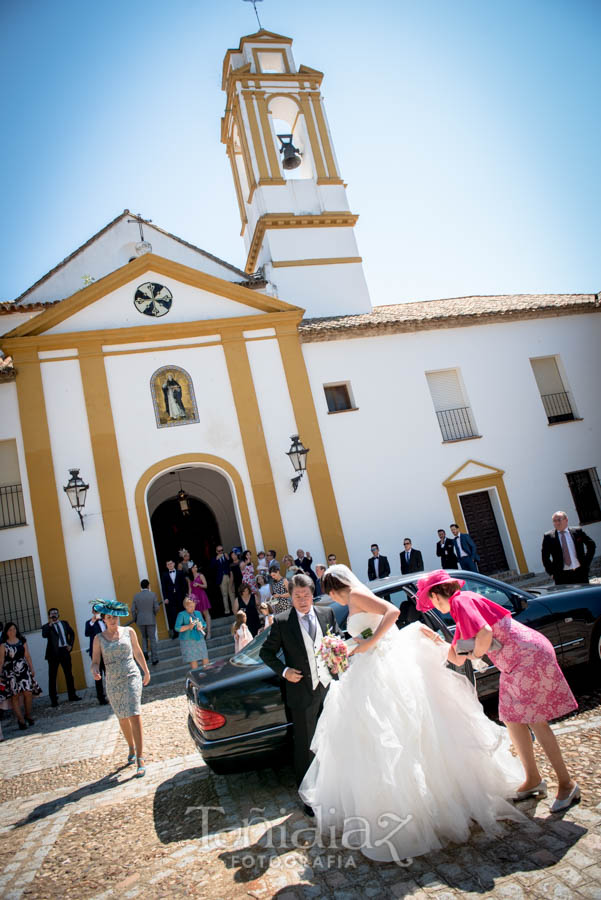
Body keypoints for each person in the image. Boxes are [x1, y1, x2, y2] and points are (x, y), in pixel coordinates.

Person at [299, 565, 525, 860]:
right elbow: (370, 628)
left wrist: (368, 642)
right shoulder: (352, 600)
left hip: (384, 666)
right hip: (369, 665)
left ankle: (426, 807)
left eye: (328, 595)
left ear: (333, 589)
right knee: (379, 736)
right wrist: (353, 645)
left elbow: (391, 612)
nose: (335, 601)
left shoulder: (355, 594)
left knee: (402, 731)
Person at [417, 570, 579, 813]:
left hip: (526, 659)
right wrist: (437, 642)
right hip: (518, 662)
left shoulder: (460, 601)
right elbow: (458, 658)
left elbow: (484, 634)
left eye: (430, 599)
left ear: (437, 594)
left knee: (536, 722)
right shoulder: (462, 605)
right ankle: (533, 779)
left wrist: (477, 653)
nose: (431, 605)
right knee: (512, 719)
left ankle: (567, 785)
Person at [260, 573, 343, 810]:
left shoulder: (326, 613)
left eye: (306, 595)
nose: (303, 600)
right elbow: (266, 653)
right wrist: (284, 671)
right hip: (302, 693)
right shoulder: (283, 621)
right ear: (291, 597)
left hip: (329, 689)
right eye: (297, 596)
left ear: (312, 595)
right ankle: (309, 798)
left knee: (333, 740)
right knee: (306, 747)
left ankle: (335, 789)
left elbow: (338, 639)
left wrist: (337, 659)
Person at [91, 600, 150, 777]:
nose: (112, 620)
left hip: (131, 676)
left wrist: (145, 671)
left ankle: (140, 757)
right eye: (109, 617)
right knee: (123, 717)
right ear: (104, 619)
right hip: (113, 681)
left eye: (115, 616)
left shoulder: (129, 632)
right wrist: (94, 671)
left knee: (134, 713)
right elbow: (95, 662)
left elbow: (138, 652)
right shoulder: (98, 639)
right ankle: (131, 746)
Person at [0, 623, 42, 729]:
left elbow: (27, 655)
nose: (12, 631)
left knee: (28, 692)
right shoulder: (3, 645)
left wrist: (32, 668)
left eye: (14, 629)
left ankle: (28, 715)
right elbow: (1, 660)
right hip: (10, 672)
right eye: (10, 630)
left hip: (23, 670)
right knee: (15, 695)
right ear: (6, 632)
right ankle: (21, 720)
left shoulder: (22, 640)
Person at [541, 510, 596, 585]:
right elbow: (545, 557)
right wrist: (551, 573)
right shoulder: (548, 537)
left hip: (580, 572)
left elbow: (591, 545)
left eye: (559, 520)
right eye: (554, 521)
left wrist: (586, 563)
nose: (557, 523)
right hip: (561, 576)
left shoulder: (577, 531)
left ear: (566, 520)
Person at [41, 608, 81, 707]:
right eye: (51, 614)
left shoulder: (64, 623)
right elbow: (44, 635)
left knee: (69, 674)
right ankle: (53, 700)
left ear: (58, 614)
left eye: (55, 613)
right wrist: (50, 625)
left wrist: (70, 644)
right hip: (53, 654)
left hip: (64, 651)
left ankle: (72, 695)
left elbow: (72, 634)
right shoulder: (47, 626)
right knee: (53, 677)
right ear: (49, 615)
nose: (54, 615)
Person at [131, 580, 160, 665]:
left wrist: (135, 618)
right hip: (150, 618)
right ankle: (154, 658)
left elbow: (133, 609)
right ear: (148, 586)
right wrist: (153, 613)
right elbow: (157, 607)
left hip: (140, 620)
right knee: (152, 639)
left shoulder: (136, 596)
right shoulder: (152, 595)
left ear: (141, 586)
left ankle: (145, 651)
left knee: (144, 637)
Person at [175, 597, 208, 669]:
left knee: (205, 657)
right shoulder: (181, 614)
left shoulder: (198, 613)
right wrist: (188, 626)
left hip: (199, 638)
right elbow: (177, 628)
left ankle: (207, 675)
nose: (193, 608)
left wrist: (202, 627)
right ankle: (197, 678)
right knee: (193, 660)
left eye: (194, 606)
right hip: (188, 641)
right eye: (190, 606)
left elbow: (204, 624)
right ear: (186, 606)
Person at [84, 609, 109, 704]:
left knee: (109, 674)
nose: (97, 612)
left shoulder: (105, 621)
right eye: (96, 611)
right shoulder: (89, 623)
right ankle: (101, 698)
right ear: (93, 612)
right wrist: (92, 622)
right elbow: (86, 633)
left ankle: (112, 694)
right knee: (98, 675)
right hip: (96, 653)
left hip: (107, 651)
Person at [160, 560, 188, 638]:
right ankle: (176, 633)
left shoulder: (180, 573)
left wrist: (185, 595)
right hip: (170, 598)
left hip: (180, 596)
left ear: (174, 564)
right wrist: (165, 598)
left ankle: (185, 630)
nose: (170, 565)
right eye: (168, 564)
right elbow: (163, 587)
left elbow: (184, 584)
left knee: (182, 612)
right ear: (166, 566)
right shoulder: (164, 575)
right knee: (173, 615)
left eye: (171, 563)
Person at [189, 565, 211, 638]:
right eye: (193, 567)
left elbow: (206, 585)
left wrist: (198, 584)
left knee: (206, 613)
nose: (195, 568)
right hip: (194, 598)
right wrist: (189, 600)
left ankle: (209, 632)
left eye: (196, 567)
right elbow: (190, 590)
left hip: (201, 596)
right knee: (198, 616)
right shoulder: (190, 578)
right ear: (191, 569)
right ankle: (202, 631)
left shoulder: (201, 575)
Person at [210, 546, 233, 615]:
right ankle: (227, 611)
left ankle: (234, 608)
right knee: (224, 595)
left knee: (232, 593)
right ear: (216, 552)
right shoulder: (214, 559)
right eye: (219, 551)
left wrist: (228, 558)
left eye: (222, 550)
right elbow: (211, 567)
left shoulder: (226, 556)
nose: (221, 552)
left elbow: (231, 563)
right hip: (221, 578)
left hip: (229, 576)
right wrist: (216, 559)